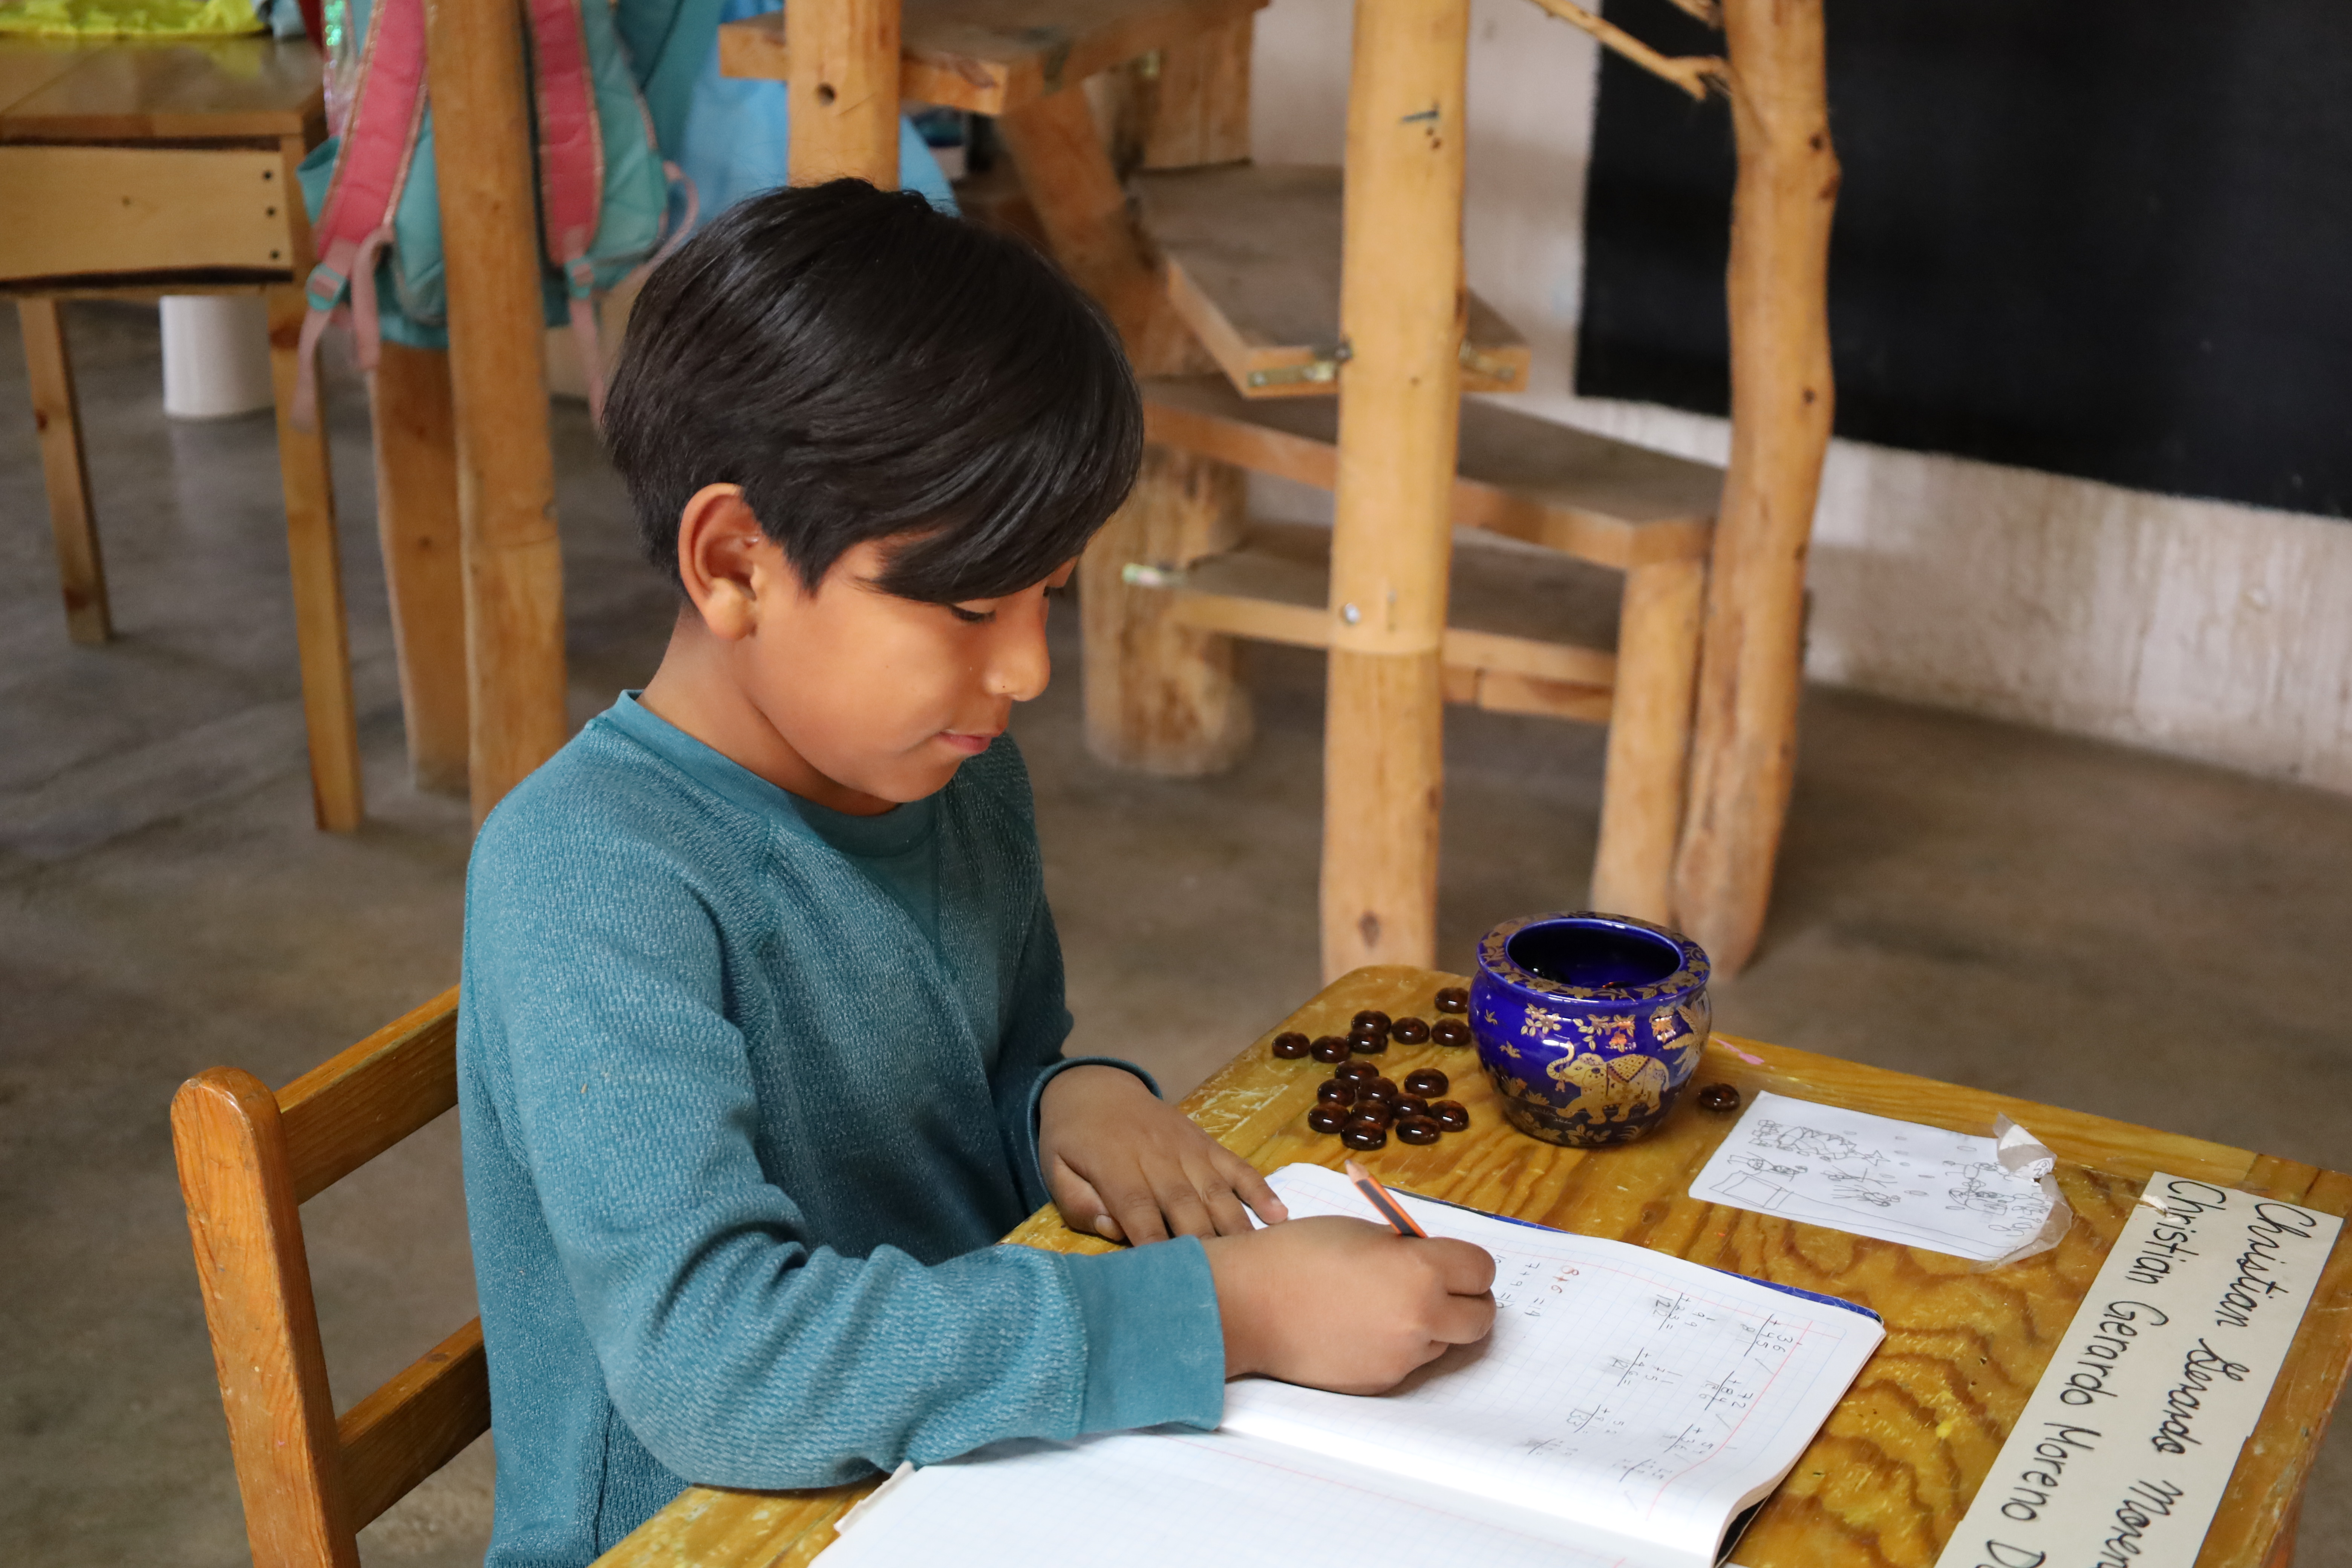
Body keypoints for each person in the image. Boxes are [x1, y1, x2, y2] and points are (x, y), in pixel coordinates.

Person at [456, 179, 1497, 1568]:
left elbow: (984, 1080)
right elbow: (721, 1369)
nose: (1026, 670)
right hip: (714, 1530)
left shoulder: (952, 773)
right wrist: (1231, 1316)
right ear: (735, 565)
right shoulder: (587, 879)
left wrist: (1075, 1098)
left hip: (969, 1483)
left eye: (1048, 593)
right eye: (966, 606)